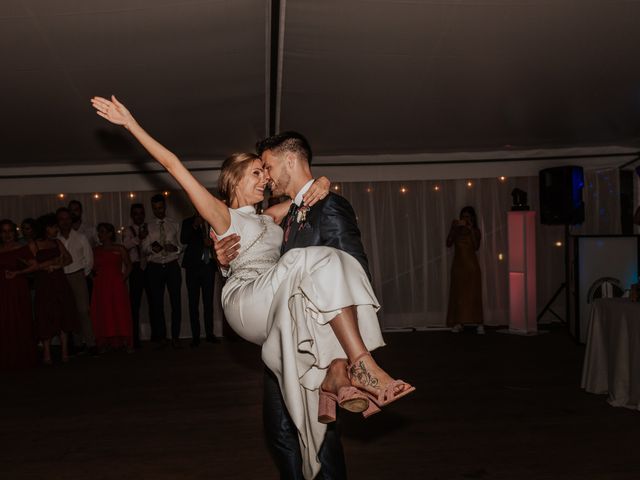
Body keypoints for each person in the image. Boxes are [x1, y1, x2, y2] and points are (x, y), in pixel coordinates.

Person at [91, 95, 414, 480]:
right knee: (304, 259)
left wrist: (324, 182)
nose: (266, 179)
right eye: (257, 173)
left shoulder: (272, 217)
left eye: (266, 171)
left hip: (273, 302)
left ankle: (339, 375)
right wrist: (130, 123)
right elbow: (172, 165)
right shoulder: (222, 215)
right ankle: (363, 364)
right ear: (234, 181)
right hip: (245, 299)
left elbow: (302, 199)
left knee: (332, 259)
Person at [31, 213, 77, 364]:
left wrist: (57, 265)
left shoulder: (57, 242)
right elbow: (32, 267)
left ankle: (64, 353)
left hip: (59, 282)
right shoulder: (34, 244)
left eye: (56, 227)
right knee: (45, 316)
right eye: (53, 227)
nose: (56, 229)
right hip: (44, 284)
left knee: (62, 314)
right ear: (45, 228)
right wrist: (49, 263)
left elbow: (69, 258)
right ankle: (47, 354)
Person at [141, 193, 183, 347]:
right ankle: (162, 337)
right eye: (155, 208)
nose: (158, 211)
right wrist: (153, 249)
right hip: (155, 267)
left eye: (160, 207)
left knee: (176, 302)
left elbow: (181, 246)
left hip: (172, 265)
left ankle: (176, 337)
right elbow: (144, 249)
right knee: (157, 304)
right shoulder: (148, 226)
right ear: (152, 208)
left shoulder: (174, 224)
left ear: (164, 207)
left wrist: (176, 248)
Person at [57, 207, 96, 354]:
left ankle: (91, 344)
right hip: (61, 277)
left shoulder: (81, 237)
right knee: (69, 311)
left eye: (67, 218)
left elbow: (89, 259)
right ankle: (77, 344)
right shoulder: (56, 240)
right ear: (58, 221)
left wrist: (82, 274)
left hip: (78, 275)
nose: (65, 222)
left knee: (83, 311)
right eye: (61, 219)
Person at [0, 219, 38, 370]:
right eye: (3, 231)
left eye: (10, 231)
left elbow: (35, 266)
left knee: (19, 319)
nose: (7, 234)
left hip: (17, 289)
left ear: (14, 233)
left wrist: (18, 272)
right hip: (2, 289)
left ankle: (22, 357)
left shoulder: (21, 248)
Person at [91, 223, 133, 351]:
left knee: (119, 311)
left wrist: (123, 278)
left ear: (110, 233)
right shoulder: (96, 250)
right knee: (104, 312)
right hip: (101, 285)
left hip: (116, 284)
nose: (100, 234)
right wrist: (94, 279)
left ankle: (125, 341)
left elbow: (129, 265)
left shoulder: (119, 248)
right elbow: (90, 267)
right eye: (99, 232)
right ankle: (104, 341)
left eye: (103, 231)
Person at [181, 212, 217, 347]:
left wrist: (212, 244)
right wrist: (195, 225)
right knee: (193, 303)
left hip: (209, 266)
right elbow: (183, 239)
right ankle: (195, 336)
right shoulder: (188, 222)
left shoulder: (213, 219)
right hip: (193, 267)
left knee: (208, 303)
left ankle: (210, 334)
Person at [446, 206, 484, 334]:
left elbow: (476, 246)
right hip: (458, 267)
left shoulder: (475, 231)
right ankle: (458, 322)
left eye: (467, 216)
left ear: (472, 218)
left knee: (474, 295)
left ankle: (479, 323)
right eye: (462, 216)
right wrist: (453, 229)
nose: (464, 219)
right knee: (458, 296)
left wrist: (471, 229)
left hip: (472, 267)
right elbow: (448, 243)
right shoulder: (457, 231)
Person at [122, 203, 150, 349]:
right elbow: (125, 246)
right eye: (136, 213)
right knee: (134, 304)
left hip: (150, 267)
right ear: (132, 215)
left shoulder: (149, 227)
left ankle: (157, 336)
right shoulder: (128, 230)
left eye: (141, 213)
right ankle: (134, 339)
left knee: (154, 303)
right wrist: (138, 238)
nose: (138, 216)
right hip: (136, 269)